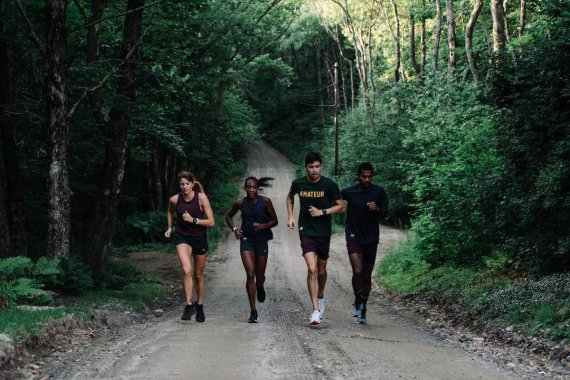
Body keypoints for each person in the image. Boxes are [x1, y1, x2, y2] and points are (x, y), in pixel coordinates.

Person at [286, 152, 344, 325]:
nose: (314, 170)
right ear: (306, 167)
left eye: (317, 166)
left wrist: (323, 212)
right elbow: (290, 197)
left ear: (321, 166)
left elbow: (341, 207)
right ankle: (315, 310)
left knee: (321, 270)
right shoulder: (298, 183)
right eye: (311, 167)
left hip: (324, 232)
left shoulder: (330, 185)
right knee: (312, 269)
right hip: (306, 231)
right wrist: (290, 216)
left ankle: (321, 295)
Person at [225, 177, 278, 323]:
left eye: (254, 187)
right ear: (245, 188)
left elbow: (275, 220)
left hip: (261, 241)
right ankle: (253, 311)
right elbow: (228, 216)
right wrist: (235, 229)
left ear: (257, 188)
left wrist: (263, 226)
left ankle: (260, 285)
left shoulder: (265, 201)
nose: (251, 190)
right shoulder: (241, 203)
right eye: (249, 187)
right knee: (250, 274)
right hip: (246, 240)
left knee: (259, 277)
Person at [341, 162, 388, 324]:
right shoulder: (349, 192)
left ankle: (364, 307)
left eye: (369, 176)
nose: (366, 179)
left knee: (367, 274)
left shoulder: (379, 192)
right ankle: (357, 299)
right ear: (359, 176)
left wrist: (377, 209)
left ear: (372, 176)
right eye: (363, 176)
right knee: (358, 269)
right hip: (353, 235)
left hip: (371, 238)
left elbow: (385, 211)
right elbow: (334, 199)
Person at [165, 171, 215, 322]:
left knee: (198, 274)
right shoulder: (174, 199)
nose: (185, 187)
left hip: (199, 237)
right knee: (186, 270)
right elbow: (169, 211)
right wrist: (169, 227)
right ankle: (188, 305)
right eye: (182, 184)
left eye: (187, 184)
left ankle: (199, 305)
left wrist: (193, 220)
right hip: (182, 237)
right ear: (179, 185)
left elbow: (211, 222)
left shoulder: (201, 198)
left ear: (193, 184)